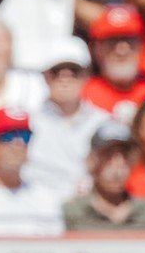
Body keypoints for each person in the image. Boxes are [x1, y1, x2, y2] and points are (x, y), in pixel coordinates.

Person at [24, 37, 110, 198]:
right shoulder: (28, 122)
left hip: (88, 211)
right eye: (57, 73)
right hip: (40, 210)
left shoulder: (103, 123)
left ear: (86, 76)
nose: (65, 80)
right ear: (45, 76)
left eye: (74, 72)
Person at [62, 119, 145, 230]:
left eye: (125, 156)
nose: (118, 167)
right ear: (91, 161)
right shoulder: (72, 213)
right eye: (107, 156)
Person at [81, 5, 145, 119]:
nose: (122, 50)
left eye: (129, 41)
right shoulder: (82, 96)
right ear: (96, 49)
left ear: (141, 46)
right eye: (112, 42)